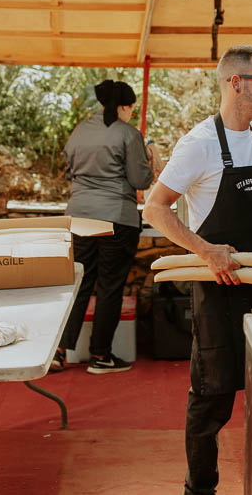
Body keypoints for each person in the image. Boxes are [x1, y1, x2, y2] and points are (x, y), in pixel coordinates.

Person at [142, 45, 252, 495]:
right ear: (235, 83)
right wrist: (206, 251)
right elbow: (154, 209)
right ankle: (199, 488)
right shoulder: (199, 144)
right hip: (219, 290)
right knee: (210, 402)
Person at [54, 79, 153, 374]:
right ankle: (100, 356)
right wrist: (148, 160)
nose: (131, 115)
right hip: (116, 217)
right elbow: (140, 181)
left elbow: (69, 170)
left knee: (80, 282)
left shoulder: (80, 130)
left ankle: (59, 351)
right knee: (110, 285)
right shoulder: (128, 134)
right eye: (131, 110)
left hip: (79, 216)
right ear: (124, 106)